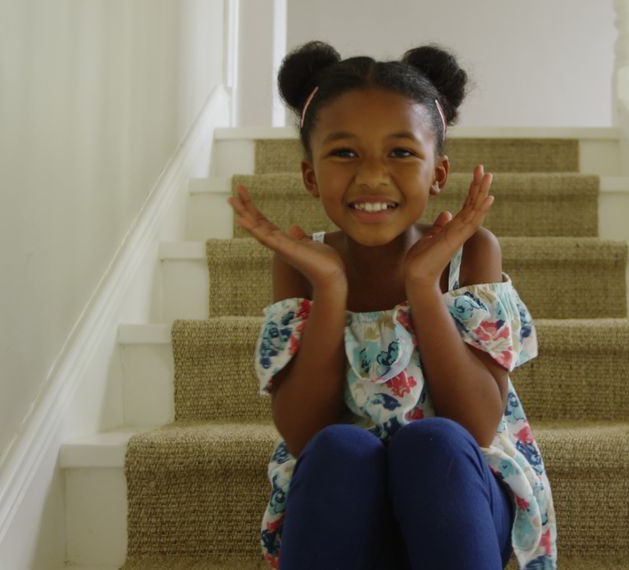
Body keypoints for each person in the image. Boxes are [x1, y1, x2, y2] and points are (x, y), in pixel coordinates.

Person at [228, 40, 557, 570]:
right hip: (345, 511)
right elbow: (301, 432)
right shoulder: (304, 264)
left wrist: (423, 284)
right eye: (344, 152)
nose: (373, 176)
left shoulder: (470, 252)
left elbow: (475, 424)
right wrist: (331, 287)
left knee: (435, 444)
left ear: (439, 173)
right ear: (311, 176)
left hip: (457, 505)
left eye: (401, 152)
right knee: (337, 449)